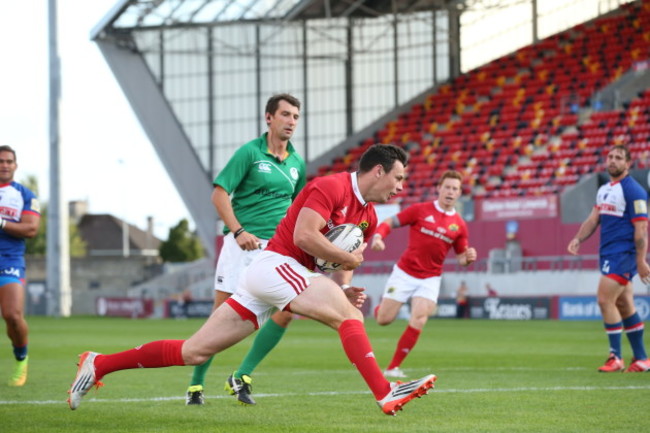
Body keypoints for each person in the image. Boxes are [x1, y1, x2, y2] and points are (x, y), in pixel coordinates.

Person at [68, 144, 436, 416]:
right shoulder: (332, 186)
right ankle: (385, 392)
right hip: (274, 264)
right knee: (348, 318)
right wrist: (347, 261)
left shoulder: (368, 216)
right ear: (377, 171)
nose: (401, 187)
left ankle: (99, 364)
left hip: (278, 277)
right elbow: (306, 238)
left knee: (194, 350)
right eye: (398, 177)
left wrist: (341, 285)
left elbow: (335, 262)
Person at [185, 93, 306, 406]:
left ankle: (242, 375)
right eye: (285, 115)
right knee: (219, 319)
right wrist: (239, 231)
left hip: (277, 250)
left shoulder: (297, 164)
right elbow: (219, 194)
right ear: (269, 118)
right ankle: (196, 386)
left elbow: (299, 207)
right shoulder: (250, 153)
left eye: (295, 116)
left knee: (287, 312)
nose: (291, 121)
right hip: (241, 247)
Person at [371, 170, 477, 378]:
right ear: (439, 188)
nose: (450, 191)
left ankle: (393, 368)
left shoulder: (460, 225)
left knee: (419, 319)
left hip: (430, 278)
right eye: (447, 187)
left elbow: (461, 258)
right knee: (384, 319)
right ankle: (381, 308)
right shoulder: (420, 210)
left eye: (455, 189)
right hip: (404, 272)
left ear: (459, 193)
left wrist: (468, 257)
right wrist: (378, 237)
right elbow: (390, 222)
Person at [568, 144, 650, 373]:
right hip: (609, 253)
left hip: (623, 255)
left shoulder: (634, 190)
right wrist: (578, 238)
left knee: (605, 300)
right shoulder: (604, 189)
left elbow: (641, 228)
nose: (612, 160)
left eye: (618, 157)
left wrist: (641, 261)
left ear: (628, 163)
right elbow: (593, 219)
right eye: (610, 156)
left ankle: (616, 358)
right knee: (624, 304)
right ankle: (642, 359)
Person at [0, 145, 41, 386]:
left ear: (15, 165)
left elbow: (31, 229)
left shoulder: (26, 195)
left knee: (12, 316)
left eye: (8, 161)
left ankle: (21, 358)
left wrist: (1, 223)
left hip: (9, 260)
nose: (4, 165)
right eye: (0, 161)